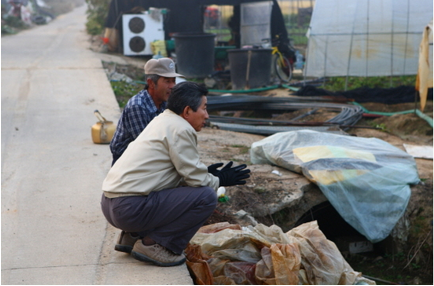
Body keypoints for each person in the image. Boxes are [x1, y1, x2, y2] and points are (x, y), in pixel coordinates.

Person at [101, 81, 251, 267]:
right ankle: (155, 244)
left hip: (110, 205)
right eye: (204, 108)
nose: (207, 115)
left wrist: (206, 173)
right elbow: (196, 179)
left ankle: (131, 237)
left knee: (187, 189)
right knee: (206, 197)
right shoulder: (181, 128)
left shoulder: (163, 120)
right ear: (187, 111)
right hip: (129, 210)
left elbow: (177, 172)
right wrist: (220, 179)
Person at [109, 57, 183, 165]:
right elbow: (146, 148)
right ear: (151, 83)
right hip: (127, 162)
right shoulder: (137, 106)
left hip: (150, 157)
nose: (172, 86)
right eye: (167, 81)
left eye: (173, 81)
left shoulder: (165, 103)